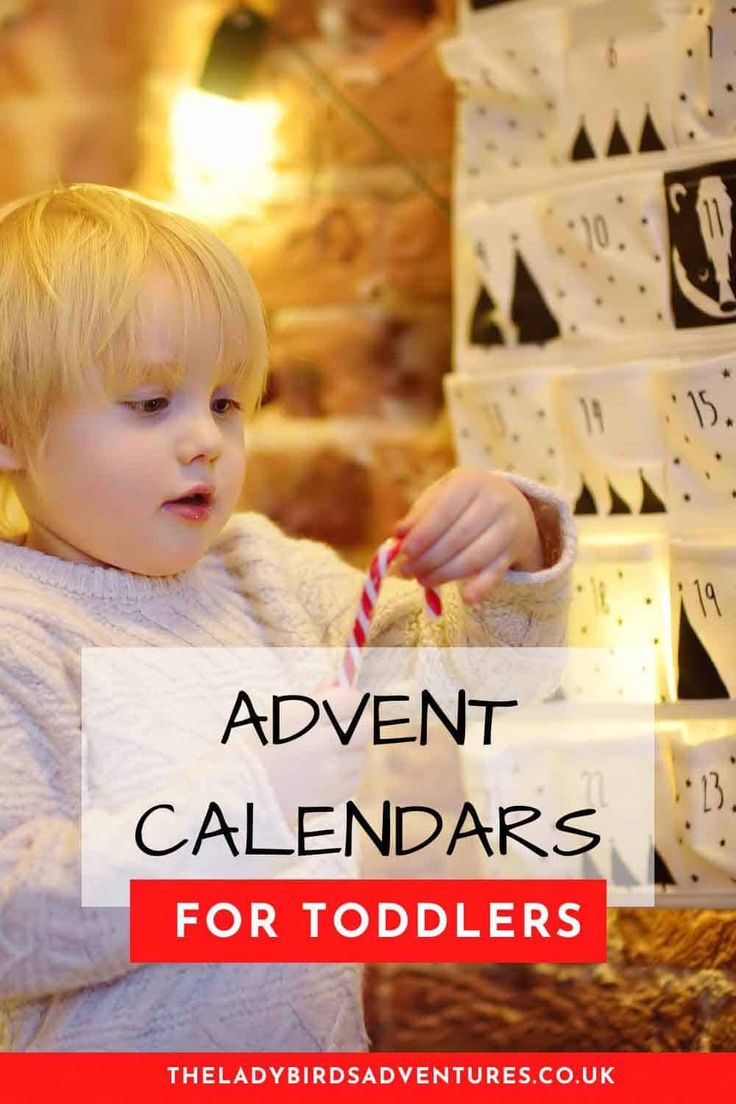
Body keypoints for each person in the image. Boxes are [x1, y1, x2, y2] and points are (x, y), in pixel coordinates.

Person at [0, 183, 576, 1052]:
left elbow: (474, 701)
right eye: (152, 403)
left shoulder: (268, 574)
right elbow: (16, 923)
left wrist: (514, 552)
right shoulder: (19, 632)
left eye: (227, 403)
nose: (205, 440)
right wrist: (247, 809)